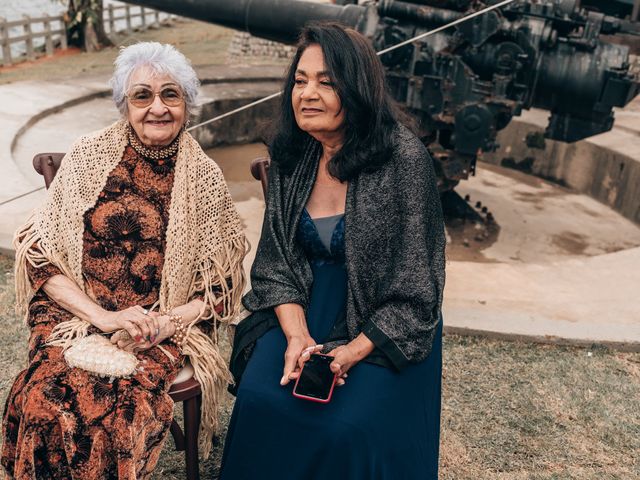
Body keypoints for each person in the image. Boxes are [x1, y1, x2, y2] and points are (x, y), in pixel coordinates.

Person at [1, 42, 247, 479]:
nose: (157, 107)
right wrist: (103, 316)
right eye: (142, 95)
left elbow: (220, 285)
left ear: (187, 104)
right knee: (40, 402)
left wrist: (167, 323)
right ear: (124, 104)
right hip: (76, 314)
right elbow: (41, 257)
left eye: (170, 95)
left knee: (117, 419)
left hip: (154, 329)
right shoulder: (87, 155)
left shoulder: (205, 177)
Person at [220, 23, 446, 479]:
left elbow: (418, 288)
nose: (308, 93)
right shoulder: (291, 152)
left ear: (357, 87)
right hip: (303, 301)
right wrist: (297, 336)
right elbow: (276, 262)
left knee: (347, 427)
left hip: (381, 321)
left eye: (326, 81)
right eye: (300, 81)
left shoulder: (404, 159)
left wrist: (348, 353)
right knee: (261, 400)